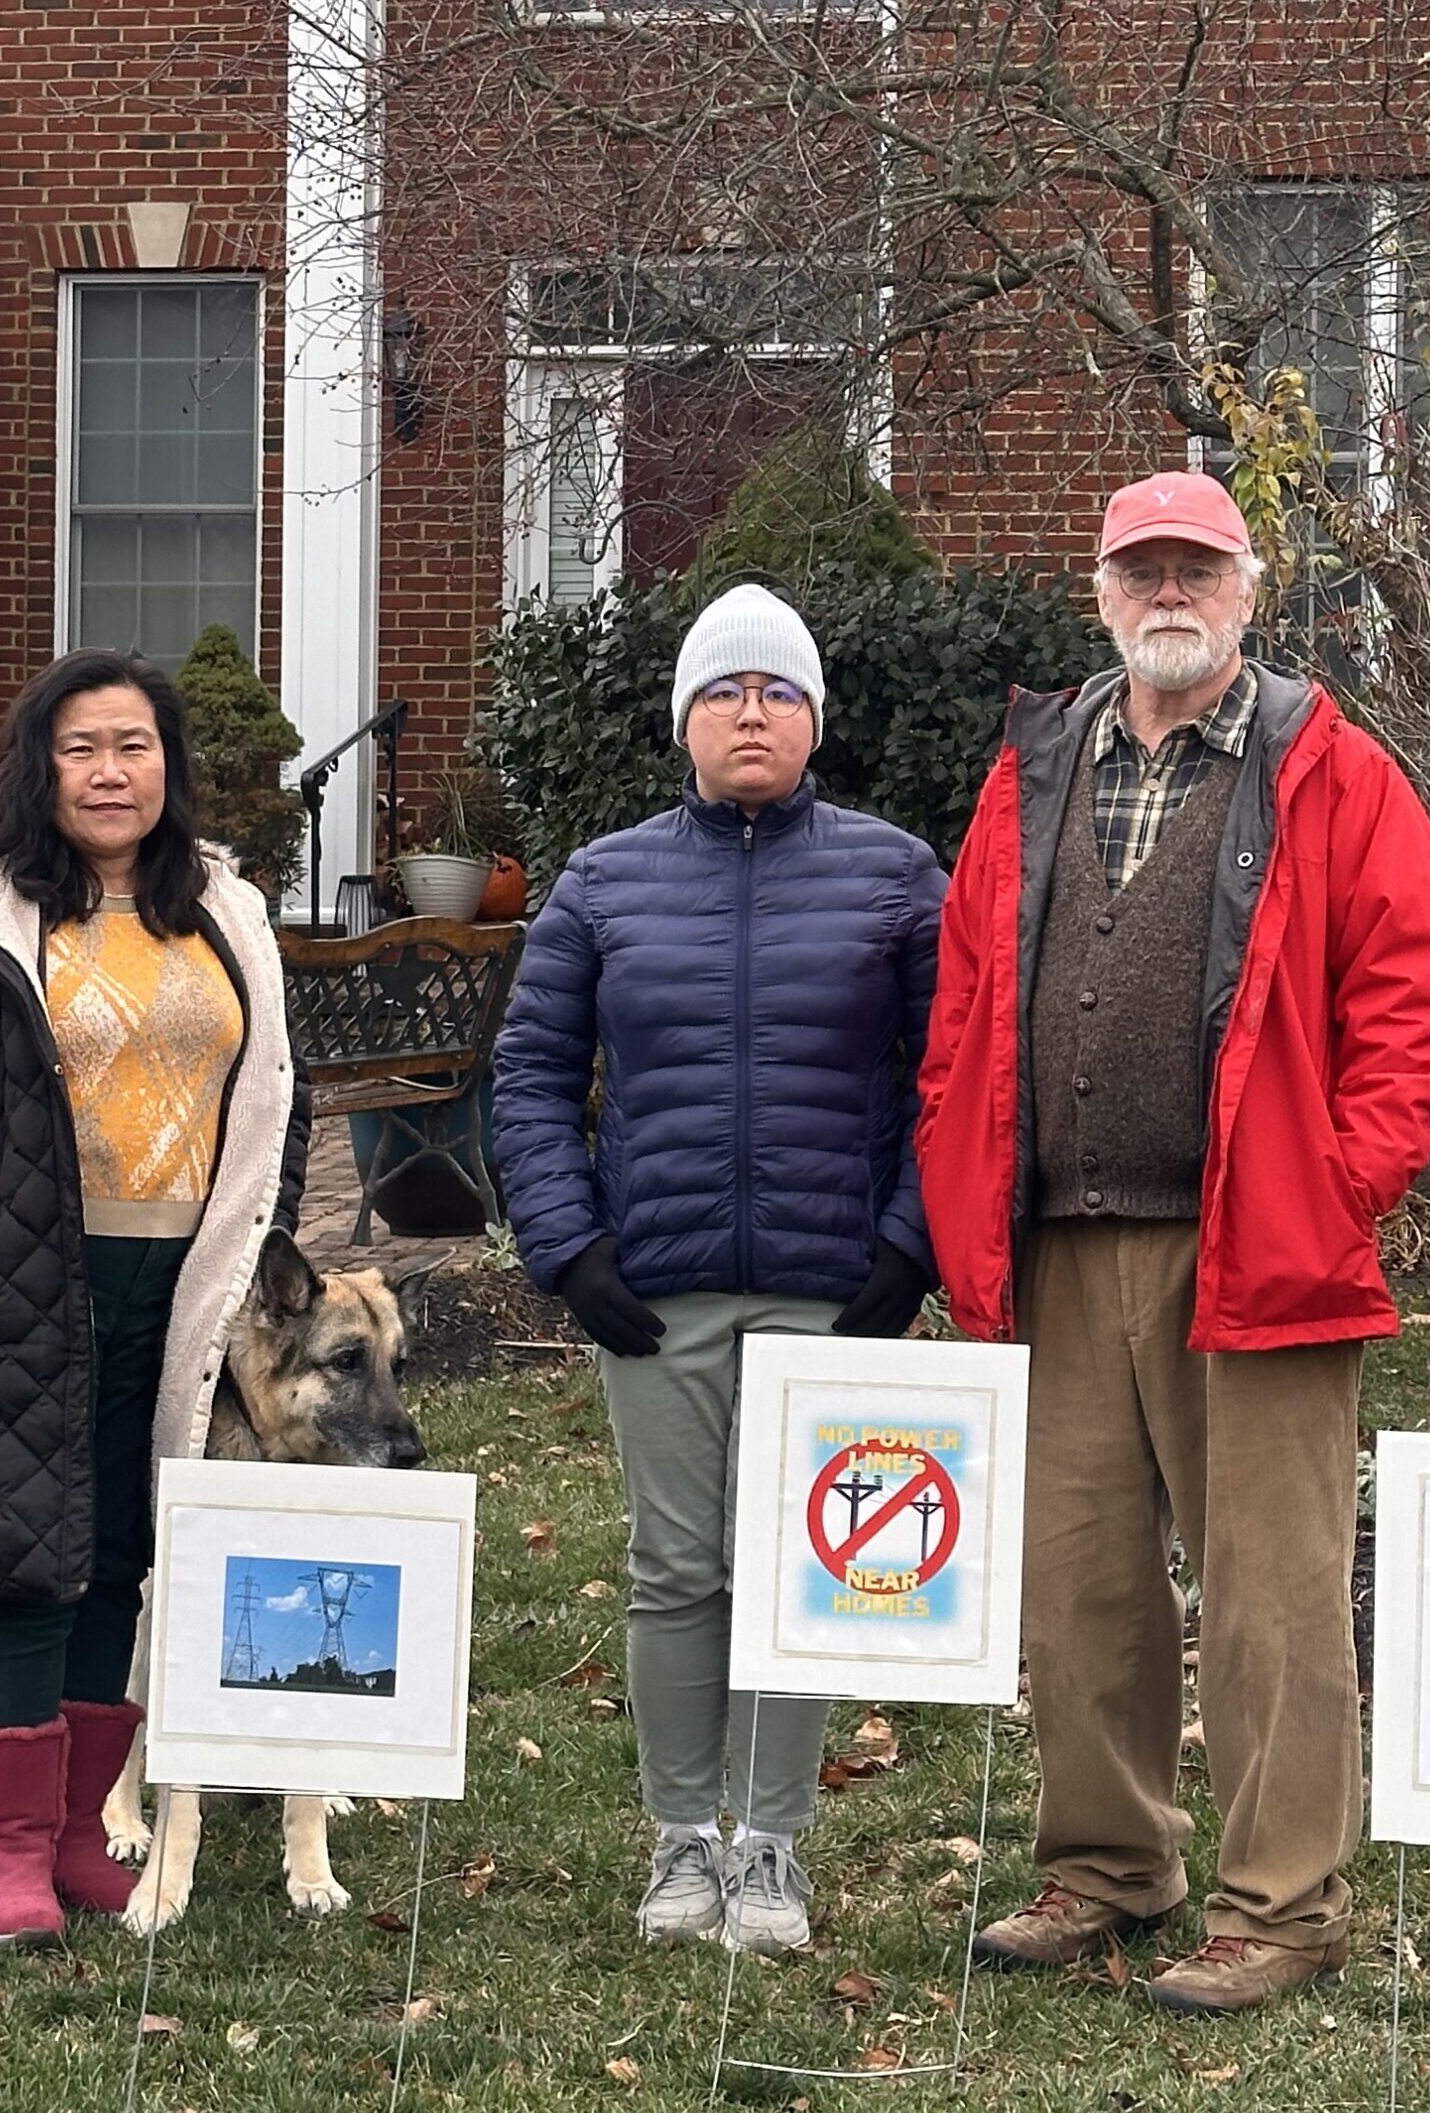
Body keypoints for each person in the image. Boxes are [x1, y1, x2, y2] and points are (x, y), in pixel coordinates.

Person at [915, 472, 1430, 2013]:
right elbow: (966, 995)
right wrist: (959, 1157)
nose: (1171, 592)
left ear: (1247, 587)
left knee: (1273, 1596)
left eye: (1198, 568)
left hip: (1258, 1251)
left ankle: (1284, 1903)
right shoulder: (1034, 766)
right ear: (1100, 590)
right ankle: (1110, 1867)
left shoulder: (1333, 770)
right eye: (1141, 568)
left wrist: (1339, 1183)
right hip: (1060, 1247)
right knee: (1080, 1586)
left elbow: (1418, 998)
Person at [493, 581, 946, 1956]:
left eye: (780, 692)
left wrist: (908, 1245)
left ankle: (773, 1849)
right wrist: (569, 1249)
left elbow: (959, 1078)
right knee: (678, 1565)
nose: (753, 713)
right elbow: (524, 1075)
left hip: (833, 1290)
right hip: (661, 1288)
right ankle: (682, 1835)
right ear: (684, 718)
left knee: (800, 1574)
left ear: (816, 720)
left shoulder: (894, 873)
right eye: (725, 691)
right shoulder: (605, 880)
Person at [0, 647, 310, 1949]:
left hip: (181, 1289)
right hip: (30, 1285)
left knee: (125, 1551)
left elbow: (271, 1088)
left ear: (168, 763)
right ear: (40, 768)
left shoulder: (223, 906)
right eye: (82, 747)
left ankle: (74, 1830)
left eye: (134, 744)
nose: (111, 770)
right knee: (31, 1561)